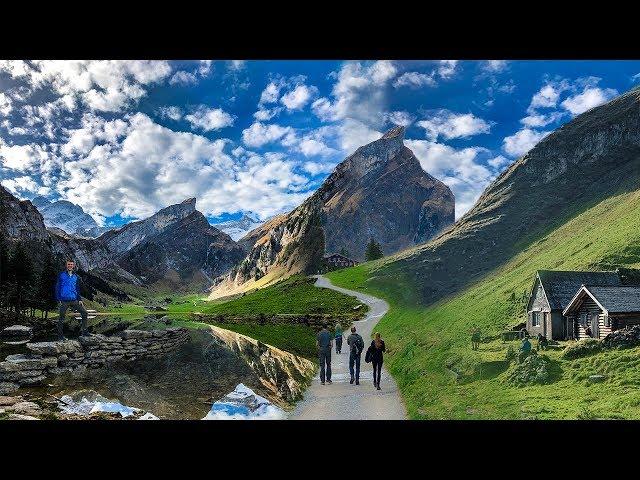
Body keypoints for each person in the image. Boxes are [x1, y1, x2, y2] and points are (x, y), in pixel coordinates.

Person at [55, 260, 89, 340]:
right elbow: (57, 287)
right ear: (66, 266)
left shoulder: (76, 276)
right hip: (64, 300)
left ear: (73, 266)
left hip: (74, 300)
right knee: (62, 317)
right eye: (68, 264)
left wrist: (79, 299)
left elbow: (77, 288)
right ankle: (60, 336)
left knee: (84, 313)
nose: (70, 266)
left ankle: (85, 331)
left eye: (71, 264)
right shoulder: (61, 275)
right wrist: (58, 298)